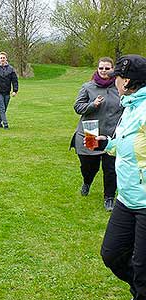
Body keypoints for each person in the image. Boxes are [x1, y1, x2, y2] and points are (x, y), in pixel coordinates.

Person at [92, 54, 146, 300]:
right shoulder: (131, 106)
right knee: (112, 254)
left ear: (127, 81)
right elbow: (129, 144)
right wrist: (108, 143)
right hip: (126, 197)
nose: (114, 82)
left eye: (117, 78)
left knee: (143, 268)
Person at [70, 57, 123, 211]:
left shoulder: (119, 88)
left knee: (110, 169)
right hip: (90, 135)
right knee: (89, 167)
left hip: (111, 135)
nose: (104, 71)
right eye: (101, 68)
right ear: (97, 69)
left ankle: (109, 197)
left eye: (107, 68)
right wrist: (93, 105)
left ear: (112, 69)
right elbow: (78, 107)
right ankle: (87, 181)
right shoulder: (88, 87)